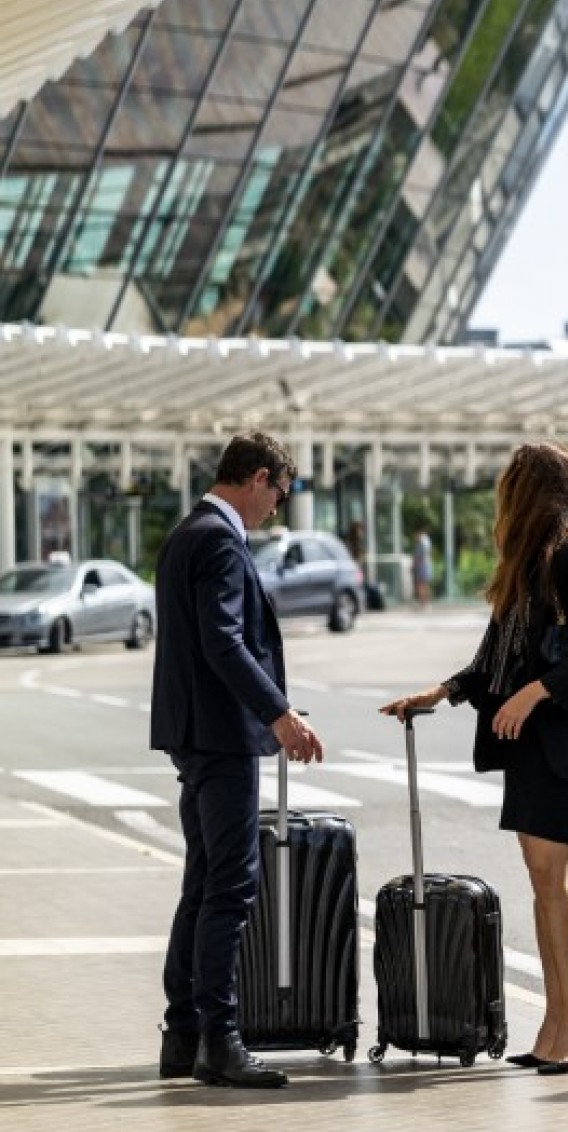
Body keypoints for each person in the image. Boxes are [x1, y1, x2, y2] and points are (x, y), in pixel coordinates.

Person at [378, 441, 568, 1075]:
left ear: (529, 490)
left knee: (551, 876)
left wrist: (536, 690)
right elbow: (495, 653)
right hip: (533, 741)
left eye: (511, 482)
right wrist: (441, 691)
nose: (504, 493)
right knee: (543, 878)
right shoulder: (529, 563)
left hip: (567, 740)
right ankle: (557, 1020)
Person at [151, 430, 325, 1089]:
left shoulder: (186, 533)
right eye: (278, 493)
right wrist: (280, 714)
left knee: (202, 883)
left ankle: (184, 1036)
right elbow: (224, 643)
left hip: (192, 732)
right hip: (221, 736)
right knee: (230, 885)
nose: (277, 508)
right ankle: (220, 1042)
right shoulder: (220, 540)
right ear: (255, 478)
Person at [410, 528, 433, 610]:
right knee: (425, 584)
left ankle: (423, 603)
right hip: (427, 565)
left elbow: (418, 557)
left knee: (421, 585)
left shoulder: (421, 543)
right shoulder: (426, 542)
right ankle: (426, 602)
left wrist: (413, 566)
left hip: (422, 566)